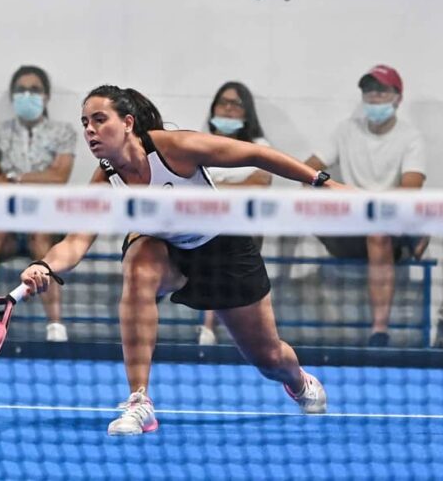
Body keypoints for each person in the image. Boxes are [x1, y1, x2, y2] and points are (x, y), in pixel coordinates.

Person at [20, 85, 346, 436]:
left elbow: (256, 154)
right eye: (85, 122)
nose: (90, 130)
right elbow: (75, 241)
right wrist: (44, 266)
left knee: (269, 358)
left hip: (223, 250)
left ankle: (298, 381)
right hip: (168, 252)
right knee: (139, 266)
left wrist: (321, 182)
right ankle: (139, 401)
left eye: (100, 120)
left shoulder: (174, 148)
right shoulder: (106, 178)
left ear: (127, 123)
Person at [303, 65, 428, 347]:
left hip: (386, 223)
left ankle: (379, 330)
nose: (374, 97)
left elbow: (411, 188)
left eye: (382, 91)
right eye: (369, 91)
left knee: (378, 233)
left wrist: (369, 204)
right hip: (349, 223)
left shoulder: (411, 138)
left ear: (398, 98)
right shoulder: (345, 130)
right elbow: (307, 169)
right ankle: (417, 237)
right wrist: (330, 191)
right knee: (309, 201)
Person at [0, 65, 76, 342]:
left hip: (45, 219)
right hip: (5, 219)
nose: (28, 95)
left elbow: (59, 178)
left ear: (46, 96)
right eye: (21, 90)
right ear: (12, 95)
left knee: (41, 238)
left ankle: (55, 327)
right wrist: (38, 178)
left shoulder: (63, 132)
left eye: (35, 90)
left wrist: (12, 177)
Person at [198, 81, 272, 346]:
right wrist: (234, 187)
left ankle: (214, 326)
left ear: (247, 112)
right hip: (202, 225)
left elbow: (260, 183)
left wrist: (215, 186)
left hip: (244, 228)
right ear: (214, 108)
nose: (228, 109)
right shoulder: (197, 142)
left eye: (236, 104)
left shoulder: (260, 146)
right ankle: (209, 326)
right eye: (223, 102)